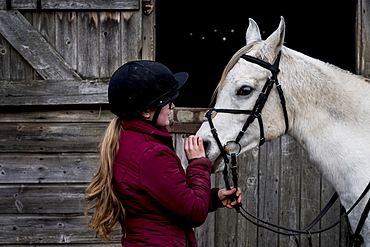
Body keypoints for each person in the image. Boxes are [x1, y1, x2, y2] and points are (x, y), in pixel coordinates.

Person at [85, 60, 241, 246]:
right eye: (167, 102)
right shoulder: (150, 154)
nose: (173, 106)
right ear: (146, 112)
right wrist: (198, 163)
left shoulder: (129, 141)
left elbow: (166, 203)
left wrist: (214, 198)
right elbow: (194, 213)